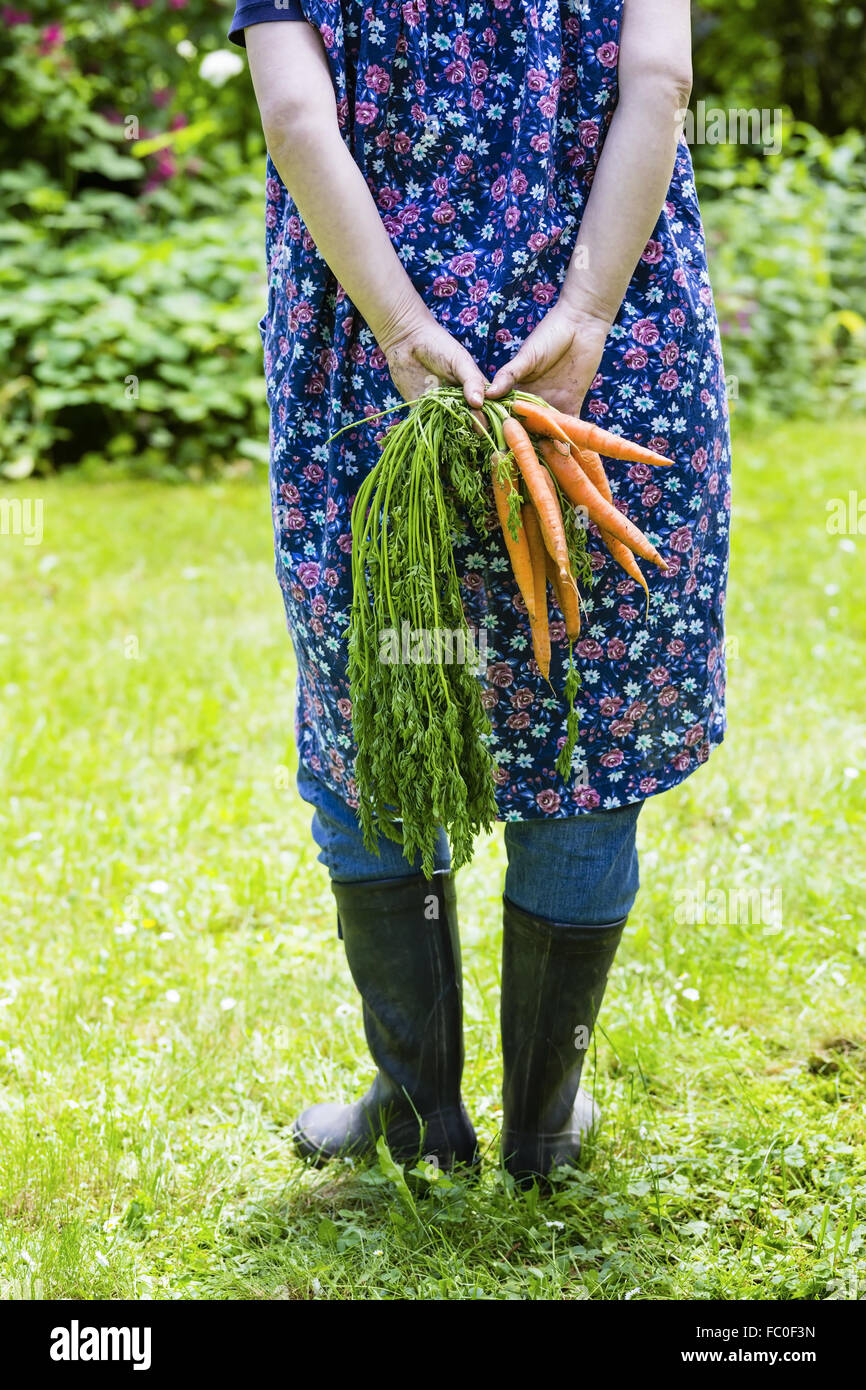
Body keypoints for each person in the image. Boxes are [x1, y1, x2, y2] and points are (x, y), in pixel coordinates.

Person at [227, 0, 730, 1183]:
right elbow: (654, 82)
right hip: (603, 359)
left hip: (374, 353)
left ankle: (414, 1112)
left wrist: (403, 328)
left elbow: (298, 115)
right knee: (586, 717)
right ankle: (539, 1125)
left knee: (382, 707)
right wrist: (590, 308)